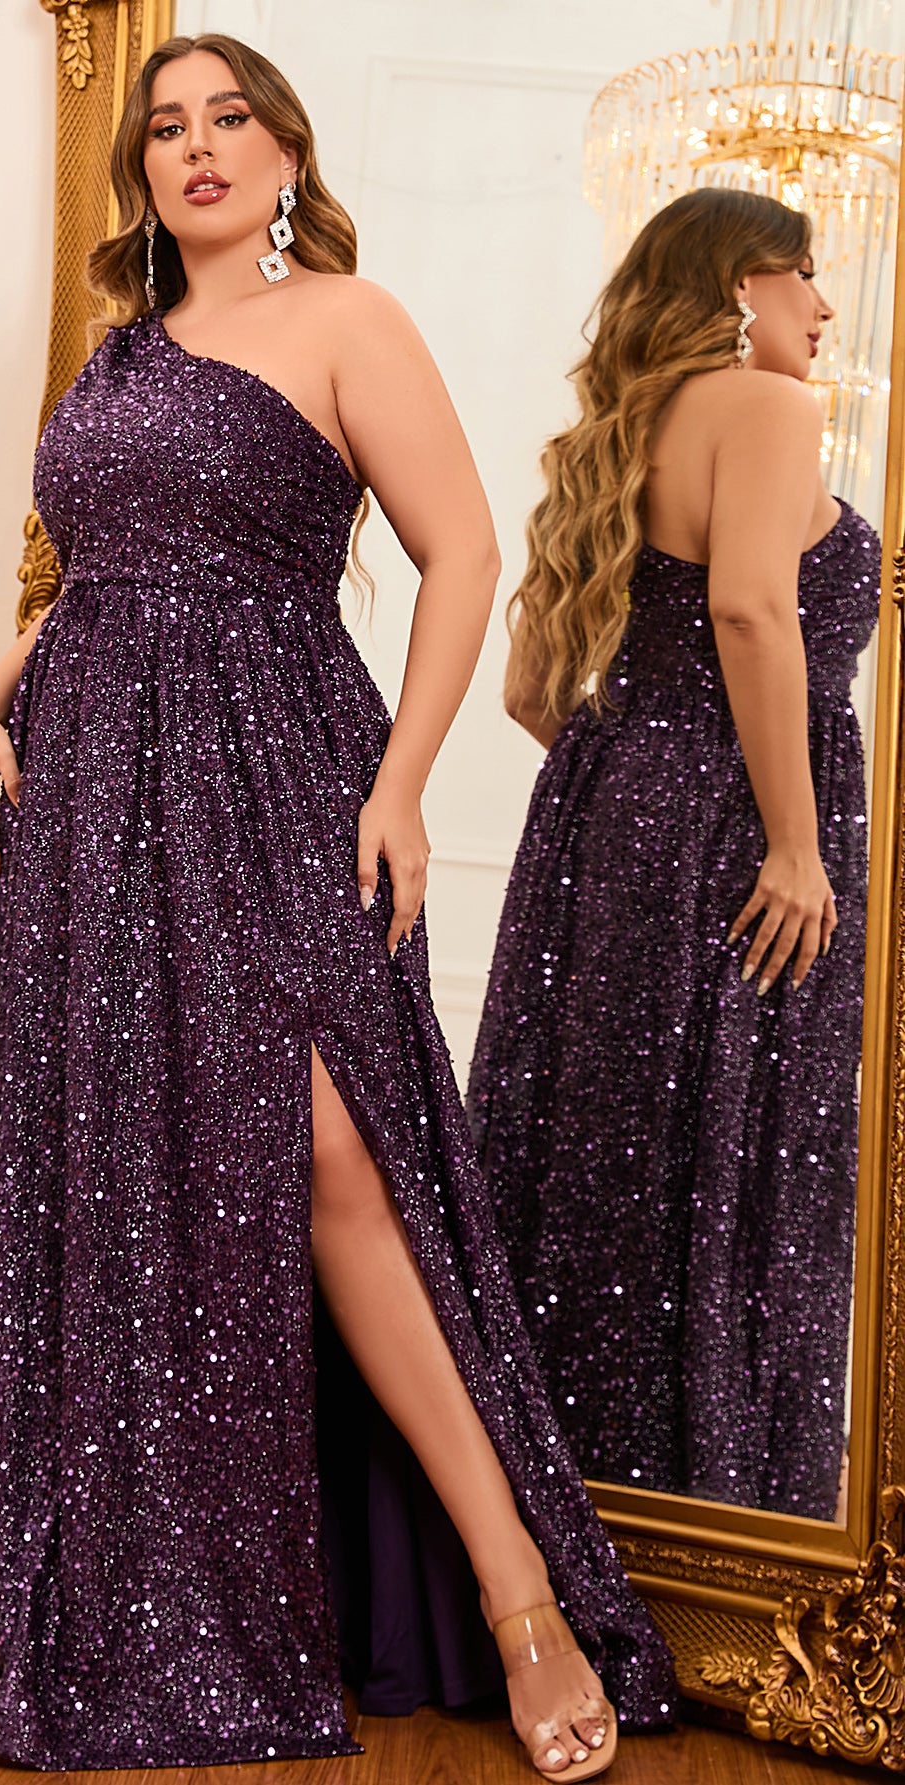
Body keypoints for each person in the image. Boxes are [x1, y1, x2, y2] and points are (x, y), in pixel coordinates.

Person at [0, 32, 674, 1776]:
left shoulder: (345, 319)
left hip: (276, 775)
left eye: (229, 119)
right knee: (129, 1178)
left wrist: (400, 782)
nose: (197, 148)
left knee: (334, 1150)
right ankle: (167, 1586)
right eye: (166, 128)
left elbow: (464, 551)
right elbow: (98, 577)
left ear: (285, 152)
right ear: (142, 173)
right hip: (95, 803)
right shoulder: (115, 355)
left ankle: (517, 1590)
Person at [469, 188, 878, 1520]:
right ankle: (723, 1520)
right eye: (805, 274)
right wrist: (793, 842)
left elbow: (531, 693)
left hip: (610, 822)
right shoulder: (768, 408)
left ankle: (571, 1513)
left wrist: (640, 787)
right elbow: (752, 608)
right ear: (742, 285)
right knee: (733, 1157)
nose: (825, 306)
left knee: (600, 1158)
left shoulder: (617, 430)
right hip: (745, 830)